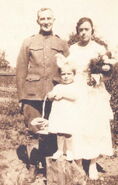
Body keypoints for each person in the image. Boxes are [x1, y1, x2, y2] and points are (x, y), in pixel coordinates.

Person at [16, 7, 69, 178]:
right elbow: (21, 71)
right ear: (38, 21)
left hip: (55, 94)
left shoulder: (61, 44)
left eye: (49, 18)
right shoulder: (28, 42)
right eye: (42, 19)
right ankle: (33, 165)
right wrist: (21, 97)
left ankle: (49, 166)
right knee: (32, 130)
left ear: (53, 20)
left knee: (53, 130)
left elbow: (68, 69)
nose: (46, 21)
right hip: (32, 95)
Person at [67, 17, 116, 180]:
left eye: (86, 29)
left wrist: (100, 78)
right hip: (77, 89)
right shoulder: (72, 49)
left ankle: (93, 162)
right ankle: (79, 163)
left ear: (92, 30)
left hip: (94, 91)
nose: (83, 33)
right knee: (77, 126)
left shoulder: (100, 49)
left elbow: (109, 73)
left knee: (94, 126)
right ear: (77, 31)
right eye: (80, 30)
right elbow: (67, 70)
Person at [47, 55, 79, 161]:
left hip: (69, 114)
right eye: (63, 74)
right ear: (60, 76)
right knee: (60, 132)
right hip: (59, 114)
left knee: (68, 132)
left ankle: (69, 151)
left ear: (74, 75)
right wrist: (50, 95)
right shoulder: (58, 87)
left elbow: (75, 97)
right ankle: (59, 150)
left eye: (69, 74)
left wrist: (63, 95)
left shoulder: (74, 86)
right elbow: (50, 96)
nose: (66, 76)